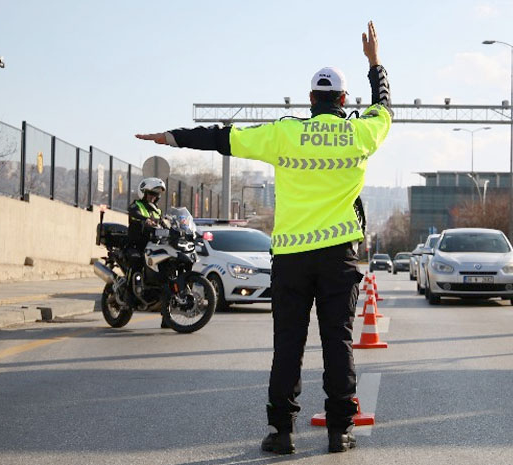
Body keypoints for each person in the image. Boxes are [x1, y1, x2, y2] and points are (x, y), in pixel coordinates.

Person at [136, 21, 391, 454]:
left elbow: (222, 137)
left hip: (291, 257)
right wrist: (375, 62)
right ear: (344, 101)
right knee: (339, 341)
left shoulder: (284, 132)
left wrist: (171, 137)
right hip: (338, 257)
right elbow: (385, 107)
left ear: (311, 100)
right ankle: (339, 431)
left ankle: (282, 433)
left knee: (288, 345)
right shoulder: (361, 132)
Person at [127, 177, 169, 328]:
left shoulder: (157, 210)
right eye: (151, 194)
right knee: (136, 262)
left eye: (156, 195)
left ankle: (167, 317)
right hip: (136, 245)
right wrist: (145, 220)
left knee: (165, 276)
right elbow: (134, 213)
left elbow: (164, 223)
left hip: (153, 247)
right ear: (143, 193)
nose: (153, 197)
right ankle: (129, 297)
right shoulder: (136, 205)